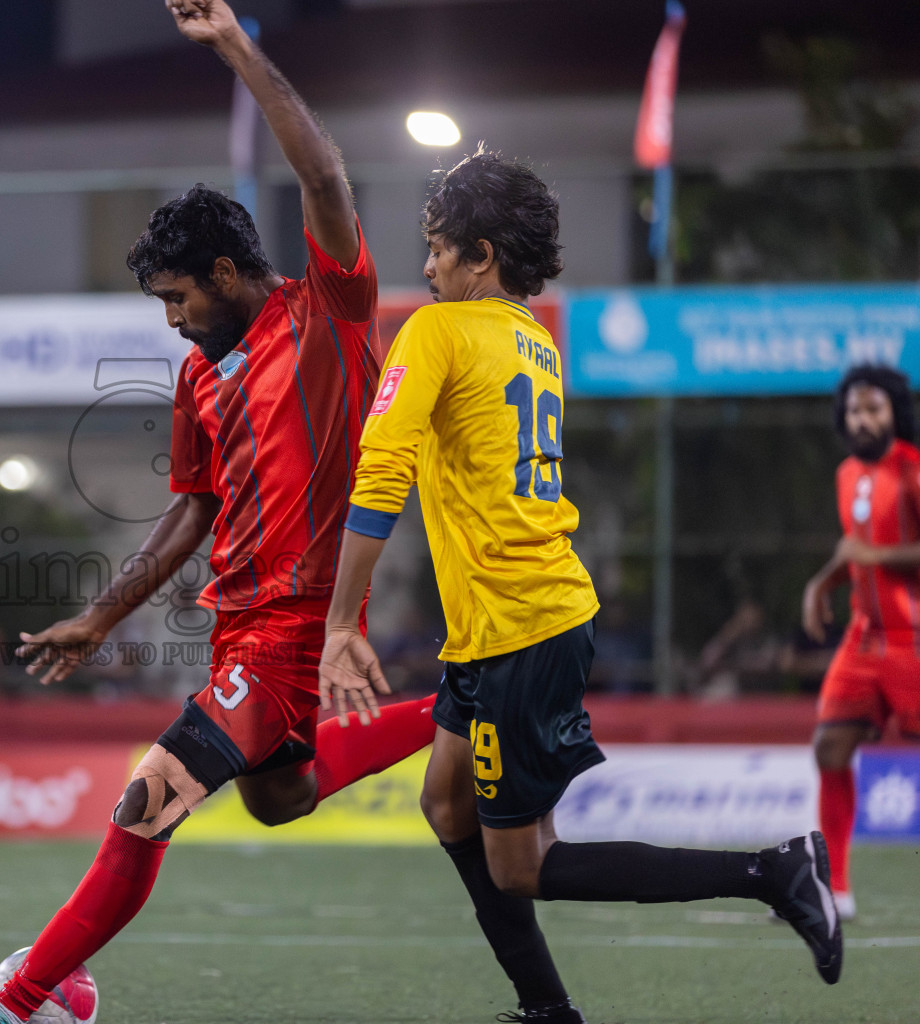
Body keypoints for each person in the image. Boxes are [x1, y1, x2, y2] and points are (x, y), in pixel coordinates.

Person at [0, 5, 438, 1023]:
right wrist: (101, 614)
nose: (170, 318)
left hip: (301, 621)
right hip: (237, 624)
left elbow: (326, 180)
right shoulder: (200, 375)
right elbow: (192, 514)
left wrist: (234, 49)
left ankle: (34, 994)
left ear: (225, 273)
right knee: (278, 795)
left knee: (148, 797)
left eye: (177, 296)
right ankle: (465, 712)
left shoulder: (328, 315)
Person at [318, 148, 843, 1023]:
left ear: (481, 255)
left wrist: (342, 622)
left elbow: (381, 478)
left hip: (516, 629)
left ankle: (773, 869)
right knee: (445, 803)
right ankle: (546, 1008)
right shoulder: (532, 337)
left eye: (440, 248)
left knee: (520, 863)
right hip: (523, 618)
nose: (429, 264)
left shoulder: (438, 330)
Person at [801, 363, 920, 922]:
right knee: (829, 748)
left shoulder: (914, 471)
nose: (863, 418)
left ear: (895, 410)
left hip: (912, 641)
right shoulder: (847, 473)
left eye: (873, 408)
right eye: (854, 410)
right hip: (862, 639)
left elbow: (877, 553)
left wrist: (872, 558)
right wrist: (824, 582)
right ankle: (836, 889)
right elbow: (856, 549)